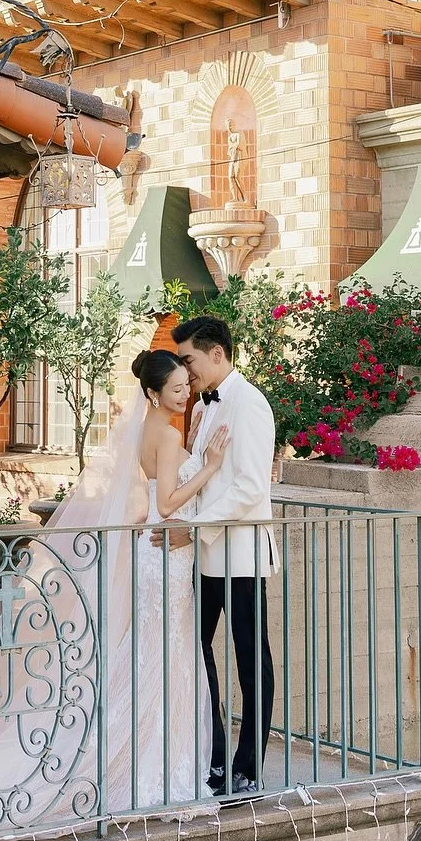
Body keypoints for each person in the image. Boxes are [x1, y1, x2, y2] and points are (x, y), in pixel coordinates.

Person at [40, 349, 223, 811]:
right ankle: (151, 761)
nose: (186, 394)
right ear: (153, 393)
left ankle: (148, 752)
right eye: (178, 388)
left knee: (160, 652)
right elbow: (166, 504)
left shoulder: (152, 429)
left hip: (160, 555)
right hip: (167, 555)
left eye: (187, 385)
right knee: (169, 653)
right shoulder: (162, 433)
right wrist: (209, 466)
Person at [170, 315, 278, 796]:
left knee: (251, 659)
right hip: (208, 553)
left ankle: (249, 766)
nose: (185, 371)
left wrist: (193, 526)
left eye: (189, 360)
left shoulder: (250, 404)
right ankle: (213, 754)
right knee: (195, 651)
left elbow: (251, 487)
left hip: (241, 554)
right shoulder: (206, 406)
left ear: (217, 353)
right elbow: (203, 470)